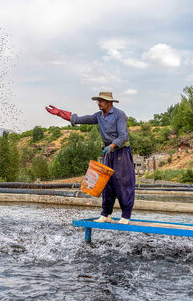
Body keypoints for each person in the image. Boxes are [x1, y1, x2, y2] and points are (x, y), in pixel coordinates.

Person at [46, 91, 135, 224]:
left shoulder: (119, 115)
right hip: (108, 152)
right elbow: (80, 119)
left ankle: (125, 216)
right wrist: (60, 113)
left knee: (122, 183)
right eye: (98, 100)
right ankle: (106, 214)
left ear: (109, 103)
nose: (98, 103)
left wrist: (111, 146)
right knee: (106, 183)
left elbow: (122, 136)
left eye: (101, 101)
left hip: (121, 152)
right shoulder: (99, 116)